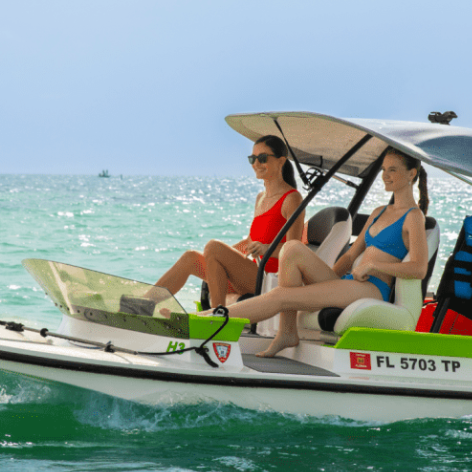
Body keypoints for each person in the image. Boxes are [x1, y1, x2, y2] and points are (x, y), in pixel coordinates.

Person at [222, 148, 429, 358]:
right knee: (291, 248)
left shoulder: (414, 217)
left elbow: (419, 268)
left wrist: (373, 266)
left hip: (372, 288)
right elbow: (349, 256)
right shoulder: (379, 212)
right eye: (383, 169)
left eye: (392, 170)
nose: (385, 175)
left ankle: (209, 318)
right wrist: (327, 280)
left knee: (280, 295)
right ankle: (287, 331)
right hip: (350, 283)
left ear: (411, 174)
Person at [150, 135, 304, 310]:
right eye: (252, 159)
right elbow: (250, 242)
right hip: (250, 275)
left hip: (270, 280)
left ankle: (218, 317)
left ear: (281, 161)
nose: (256, 164)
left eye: (262, 158)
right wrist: (222, 255)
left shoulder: (292, 199)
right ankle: (143, 304)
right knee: (191, 257)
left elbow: (295, 251)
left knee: (213, 247)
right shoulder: (260, 198)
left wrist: (266, 248)